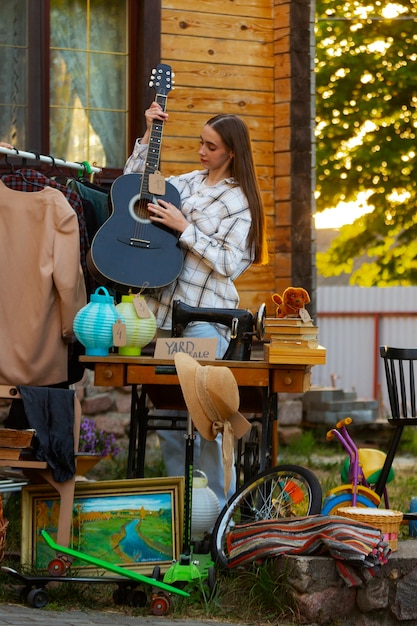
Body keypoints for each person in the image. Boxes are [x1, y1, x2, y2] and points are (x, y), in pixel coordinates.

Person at [124, 102, 268, 507]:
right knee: (170, 419)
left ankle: (220, 513)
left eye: (211, 147)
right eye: (200, 143)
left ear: (232, 153)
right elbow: (133, 188)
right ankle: (181, 510)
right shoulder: (186, 184)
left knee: (206, 418)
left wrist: (184, 228)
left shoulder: (240, 203)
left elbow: (228, 264)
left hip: (206, 320)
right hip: (163, 315)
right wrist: (149, 134)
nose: (201, 152)